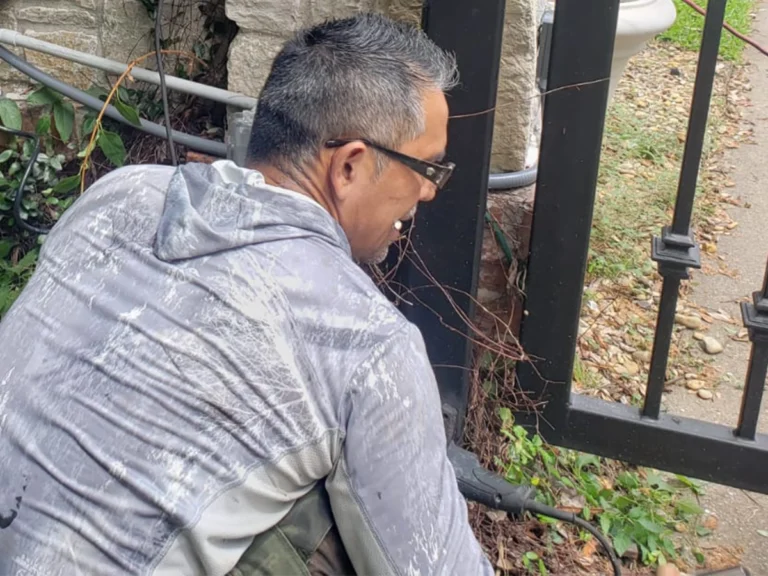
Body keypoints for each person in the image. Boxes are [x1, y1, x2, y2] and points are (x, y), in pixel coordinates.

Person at [0, 13, 493, 576]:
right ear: (350, 166)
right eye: (427, 167)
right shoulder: (369, 344)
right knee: (329, 525)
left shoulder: (118, 194)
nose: (429, 190)